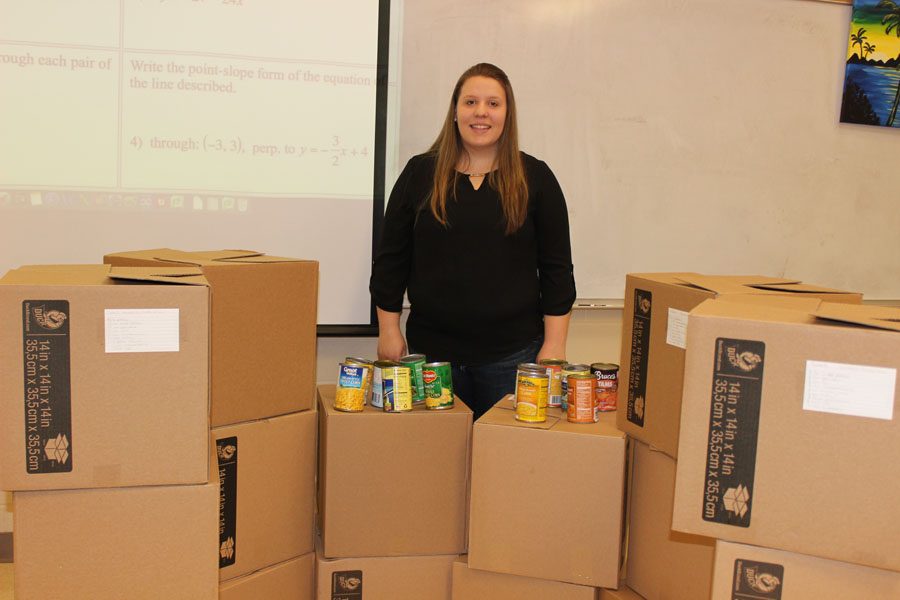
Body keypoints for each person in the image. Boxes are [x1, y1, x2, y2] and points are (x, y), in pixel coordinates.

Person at [369, 62, 576, 420]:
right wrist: (389, 330)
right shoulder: (419, 174)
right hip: (432, 358)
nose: (481, 112)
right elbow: (390, 262)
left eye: (493, 103)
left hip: (513, 358)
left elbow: (557, 269)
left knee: (503, 466)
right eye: (470, 102)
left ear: (507, 115)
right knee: (437, 463)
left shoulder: (536, 178)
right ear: (454, 111)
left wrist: (554, 346)